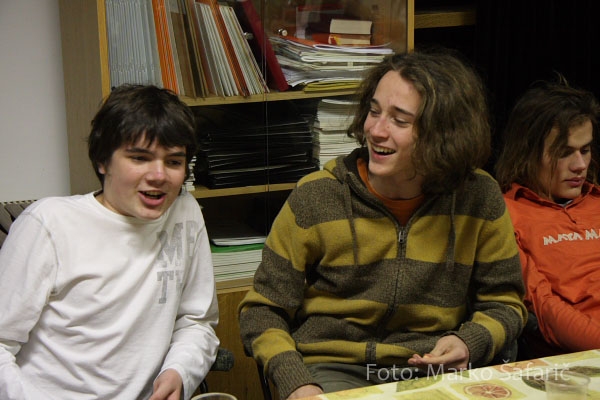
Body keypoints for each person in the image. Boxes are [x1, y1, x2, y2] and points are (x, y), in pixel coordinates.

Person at [239, 49, 527, 400]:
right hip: (333, 368)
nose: (375, 130)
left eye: (399, 121)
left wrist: (471, 341)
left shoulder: (479, 196)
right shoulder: (316, 197)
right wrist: (296, 382)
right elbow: (262, 311)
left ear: (444, 134)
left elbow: (505, 303)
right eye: (374, 111)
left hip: (433, 368)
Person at [0, 85, 219, 400]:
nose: (159, 175)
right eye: (140, 158)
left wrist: (180, 371)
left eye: (173, 162)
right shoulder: (48, 224)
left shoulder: (185, 212)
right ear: (103, 161)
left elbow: (196, 321)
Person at [495, 77, 600, 355]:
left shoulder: (596, 200)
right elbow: (544, 307)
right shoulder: (505, 214)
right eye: (564, 153)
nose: (580, 165)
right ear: (528, 153)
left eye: (585, 150)